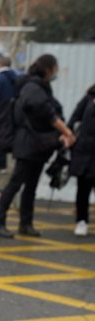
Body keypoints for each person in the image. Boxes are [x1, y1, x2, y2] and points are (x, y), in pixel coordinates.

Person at [0, 54, 76, 239]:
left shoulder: (38, 86)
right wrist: (66, 131)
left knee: (31, 186)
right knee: (15, 184)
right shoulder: (33, 86)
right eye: (55, 68)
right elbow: (46, 111)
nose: (56, 72)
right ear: (49, 68)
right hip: (28, 143)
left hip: (37, 144)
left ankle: (26, 223)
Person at [67, 83, 95, 236]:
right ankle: (81, 221)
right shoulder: (89, 97)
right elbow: (74, 119)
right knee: (83, 189)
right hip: (85, 152)